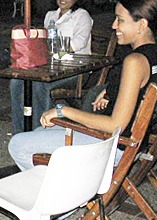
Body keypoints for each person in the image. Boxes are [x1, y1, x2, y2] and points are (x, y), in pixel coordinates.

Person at [7, 0, 157, 172]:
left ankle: (57, 193)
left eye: (120, 20)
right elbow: (139, 89)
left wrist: (63, 111)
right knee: (38, 131)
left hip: (115, 145)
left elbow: (115, 125)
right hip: (137, 141)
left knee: (18, 144)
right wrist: (110, 91)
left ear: (141, 24)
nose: (113, 25)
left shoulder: (135, 61)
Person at [9, 0, 93, 134]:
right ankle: (19, 131)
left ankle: (40, 131)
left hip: (76, 70)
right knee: (16, 81)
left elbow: (79, 42)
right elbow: (43, 42)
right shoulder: (50, 15)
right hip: (51, 67)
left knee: (40, 84)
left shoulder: (81, 15)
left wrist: (56, 49)